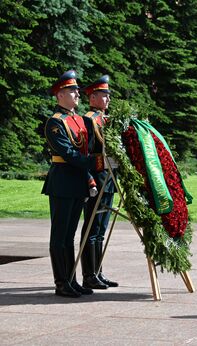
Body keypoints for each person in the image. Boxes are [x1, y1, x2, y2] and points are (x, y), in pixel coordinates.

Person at [42, 70, 98, 297]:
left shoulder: (78, 120)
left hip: (77, 182)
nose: (77, 94)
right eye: (72, 91)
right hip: (63, 181)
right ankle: (61, 282)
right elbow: (68, 153)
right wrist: (97, 163)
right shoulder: (55, 123)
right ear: (59, 95)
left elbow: (84, 148)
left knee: (70, 235)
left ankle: (71, 279)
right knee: (60, 235)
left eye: (76, 90)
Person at [80, 75, 119, 289]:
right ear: (93, 97)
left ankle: (98, 271)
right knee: (92, 228)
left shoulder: (105, 118)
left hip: (109, 179)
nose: (108, 99)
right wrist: (89, 179)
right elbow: (85, 152)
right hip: (97, 180)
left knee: (101, 229)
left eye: (108, 95)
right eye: (104, 95)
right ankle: (88, 275)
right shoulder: (88, 119)